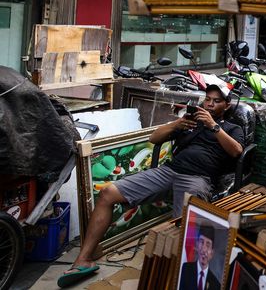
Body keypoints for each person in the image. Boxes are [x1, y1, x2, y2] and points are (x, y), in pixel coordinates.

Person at [57, 84, 243, 288]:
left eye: (216, 101)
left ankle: (185, 279)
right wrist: (176, 124)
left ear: (227, 105)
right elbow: (154, 138)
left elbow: (236, 151)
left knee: (185, 226)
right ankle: (83, 259)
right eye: (208, 99)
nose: (210, 104)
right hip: (169, 171)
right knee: (108, 193)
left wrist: (213, 126)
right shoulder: (191, 123)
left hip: (198, 178)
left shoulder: (231, 128)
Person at [178, 223, 221, 290]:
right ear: (197, 245)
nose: (203, 249)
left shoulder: (216, 285)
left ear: (212, 253)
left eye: (208, 245)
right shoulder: (185, 269)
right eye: (201, 242)